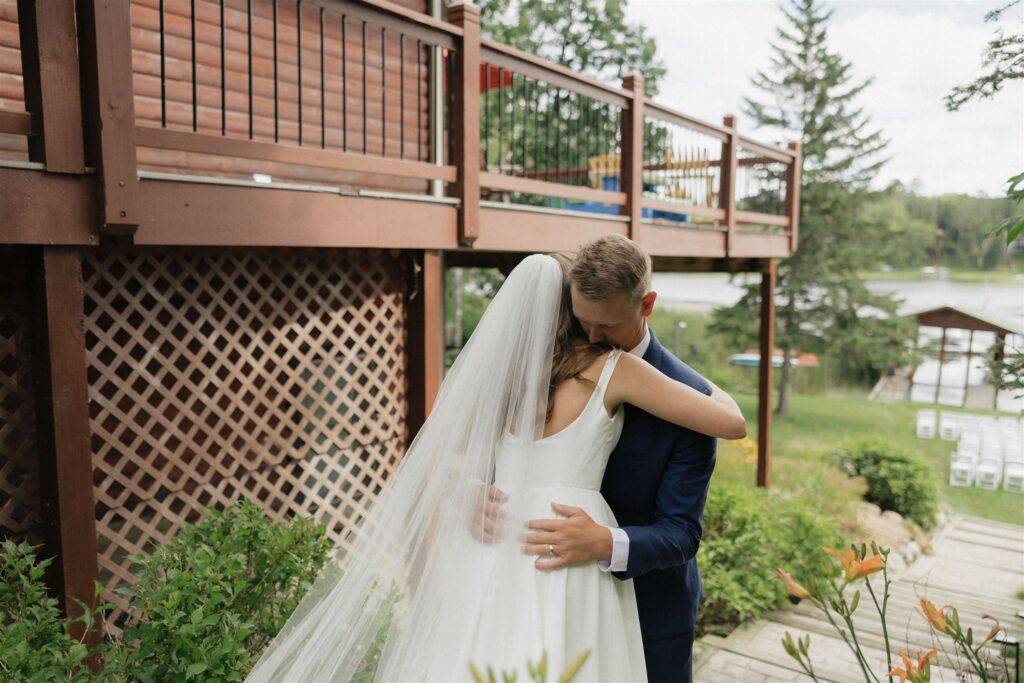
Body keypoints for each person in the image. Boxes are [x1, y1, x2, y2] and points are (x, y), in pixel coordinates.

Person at [246, 246, 744, 682]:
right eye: (584, 318)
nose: (595, 332)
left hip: (609, 586)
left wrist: (607, 541)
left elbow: (682, 529)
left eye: (607, 323)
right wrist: (465, 487)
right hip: (515, 559)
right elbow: (444, 458)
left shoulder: (514, 379)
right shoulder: (590, 373)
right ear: (568, 308)